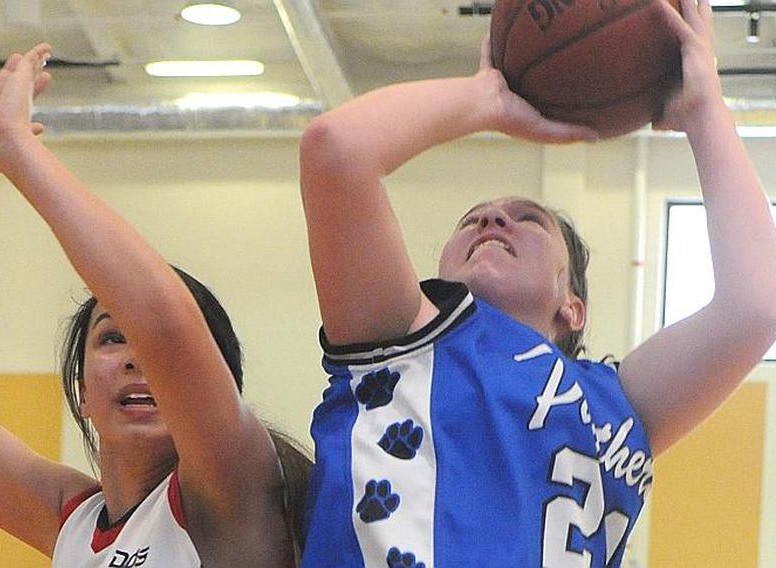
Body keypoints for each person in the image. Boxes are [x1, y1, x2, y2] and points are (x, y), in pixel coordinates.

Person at [297, 0, 776, 566]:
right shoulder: (401, 337)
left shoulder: (618, 404)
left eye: (527, 219)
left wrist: (705, 111)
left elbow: (757, 306)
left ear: (572, 307)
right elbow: (337, 151)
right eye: (471, 220)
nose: (491, 220)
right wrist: (488, 99)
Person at [0, 45, 310, 567]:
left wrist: (21, 152)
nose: (138, 357)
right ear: (83, 392)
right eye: (111, 338)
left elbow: (164, 324)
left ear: (212, 385)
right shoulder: (74, 521)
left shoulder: (233, 485)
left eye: (148, 344)